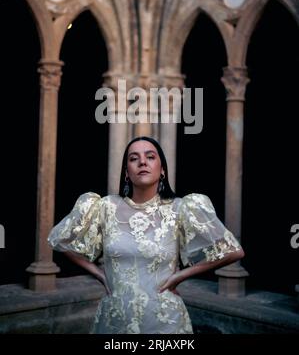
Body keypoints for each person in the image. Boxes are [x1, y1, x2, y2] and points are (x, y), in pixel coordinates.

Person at [48, 136, 244, 334]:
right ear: (126, 173)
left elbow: (233, 252)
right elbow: (61, 240)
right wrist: (100, 275)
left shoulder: (180, 208)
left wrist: (181, 276)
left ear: (163, 170)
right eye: (134, 158)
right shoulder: (104, 207)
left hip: (165, 321)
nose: (142, 162)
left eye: (150, 157)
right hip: (114, 320)